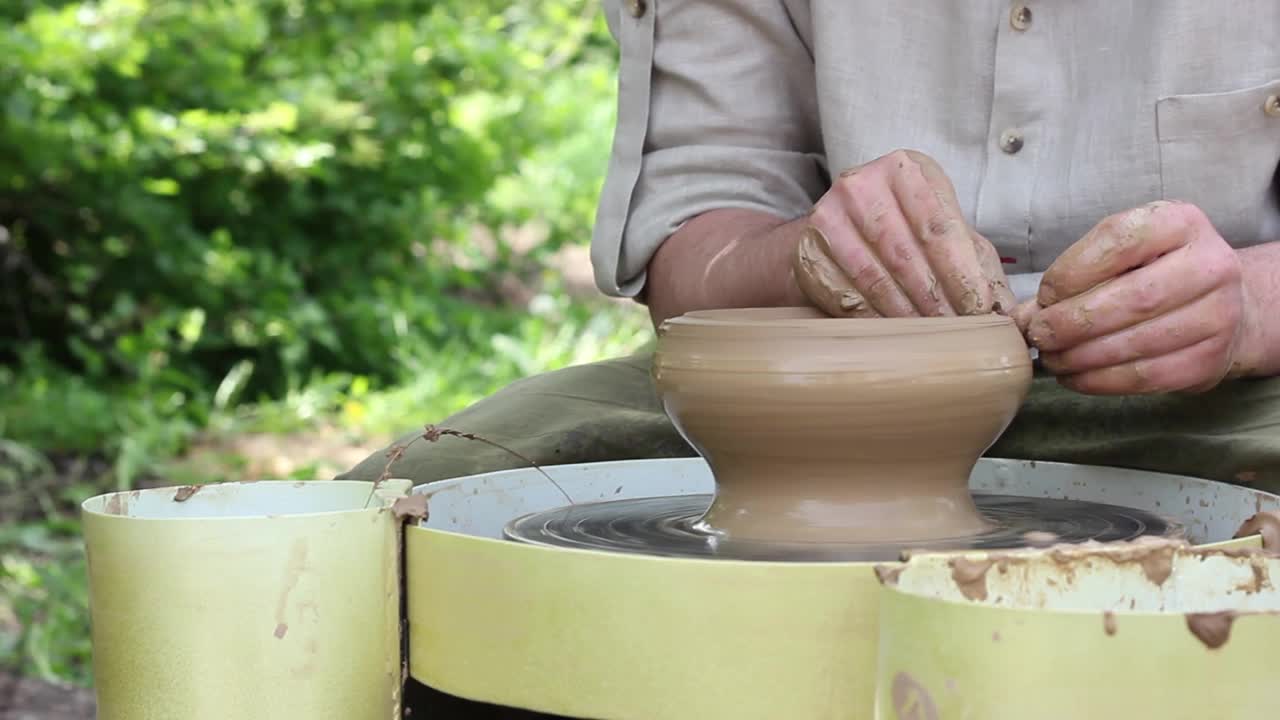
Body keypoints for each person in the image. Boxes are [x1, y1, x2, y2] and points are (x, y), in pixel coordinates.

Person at [341, 1, 1280, 494]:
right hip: (821, 375)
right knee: (413, 504)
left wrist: (1242, 307)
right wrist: (808, 253)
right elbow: (696, 229)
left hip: (1228, 391)